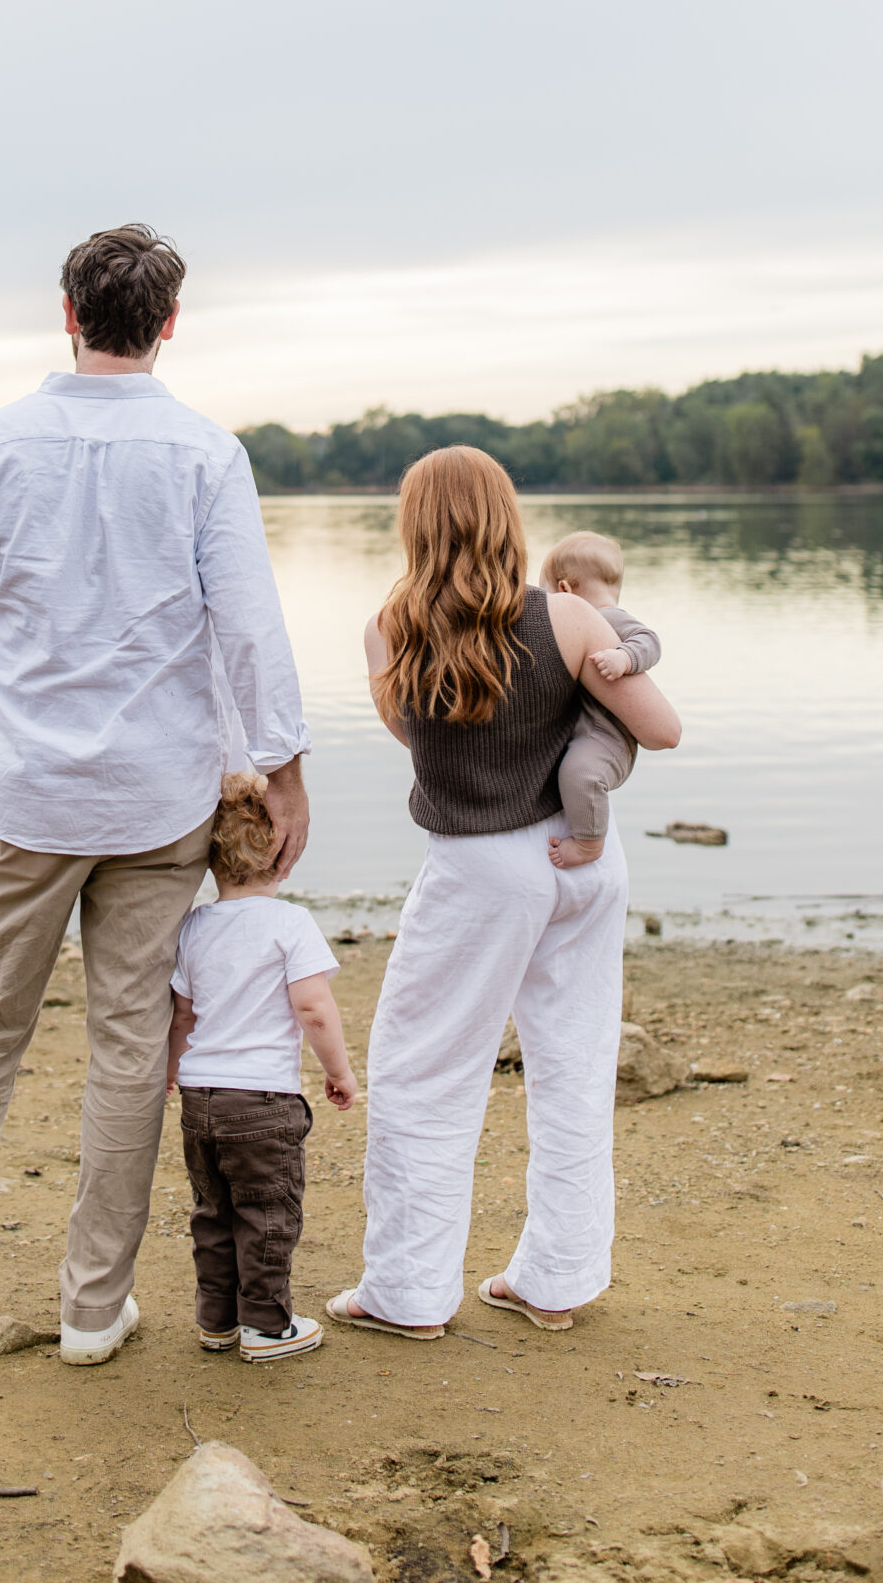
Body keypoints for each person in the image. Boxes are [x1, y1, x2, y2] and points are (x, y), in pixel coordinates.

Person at [0, 224, 312, 1367]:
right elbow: (249, 623)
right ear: (168, 323)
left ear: (67, 312)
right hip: (157, 799)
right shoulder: (206, 452)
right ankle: (88, 1306)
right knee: (129, 1047)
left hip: (20, 791)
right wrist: (283, 762)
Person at [327, 447, 681, 1343]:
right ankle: (555, 1281)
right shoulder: (567, 616)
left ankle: (408, 1294)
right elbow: (663, 729)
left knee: (423, 1070)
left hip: (480, 869)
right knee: (574, 1062)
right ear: (506, 519)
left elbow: (425, 749)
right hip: (582, 863)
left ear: (414, 526)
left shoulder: (385, 633)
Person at [167, 771, 356, 1364]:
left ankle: (217, 1321)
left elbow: (182, 1014)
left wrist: (174, 1070)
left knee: (214, 1212)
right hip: (262, 1102)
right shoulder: (290, 923)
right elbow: (313, 1008)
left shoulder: (194, 926)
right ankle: (268, 1328)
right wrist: (339, 1071)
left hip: (200, 1100)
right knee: (268, 1213)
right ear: (283, 855)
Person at [538, 530, 662, 872]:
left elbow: (649, 640)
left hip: (608, 739)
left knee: (580, 774)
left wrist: (625, 658)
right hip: (590, 731)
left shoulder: (609, 618)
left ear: (564, 590)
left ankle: (589, 843)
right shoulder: (590, 623)